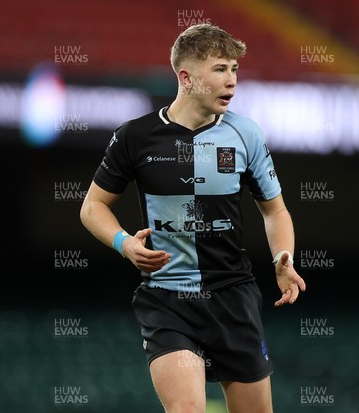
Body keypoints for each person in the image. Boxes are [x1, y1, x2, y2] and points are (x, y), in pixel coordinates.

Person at [80, 23, 306, 413]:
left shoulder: (245, 134)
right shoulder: (136, 136)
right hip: (168, 299)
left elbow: (275, 210)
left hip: (233, 297)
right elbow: (92, 207)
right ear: (186, 77)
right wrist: (124, 243)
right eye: (220, 69)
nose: (232, 80)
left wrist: (282, 258)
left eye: (234, 69)